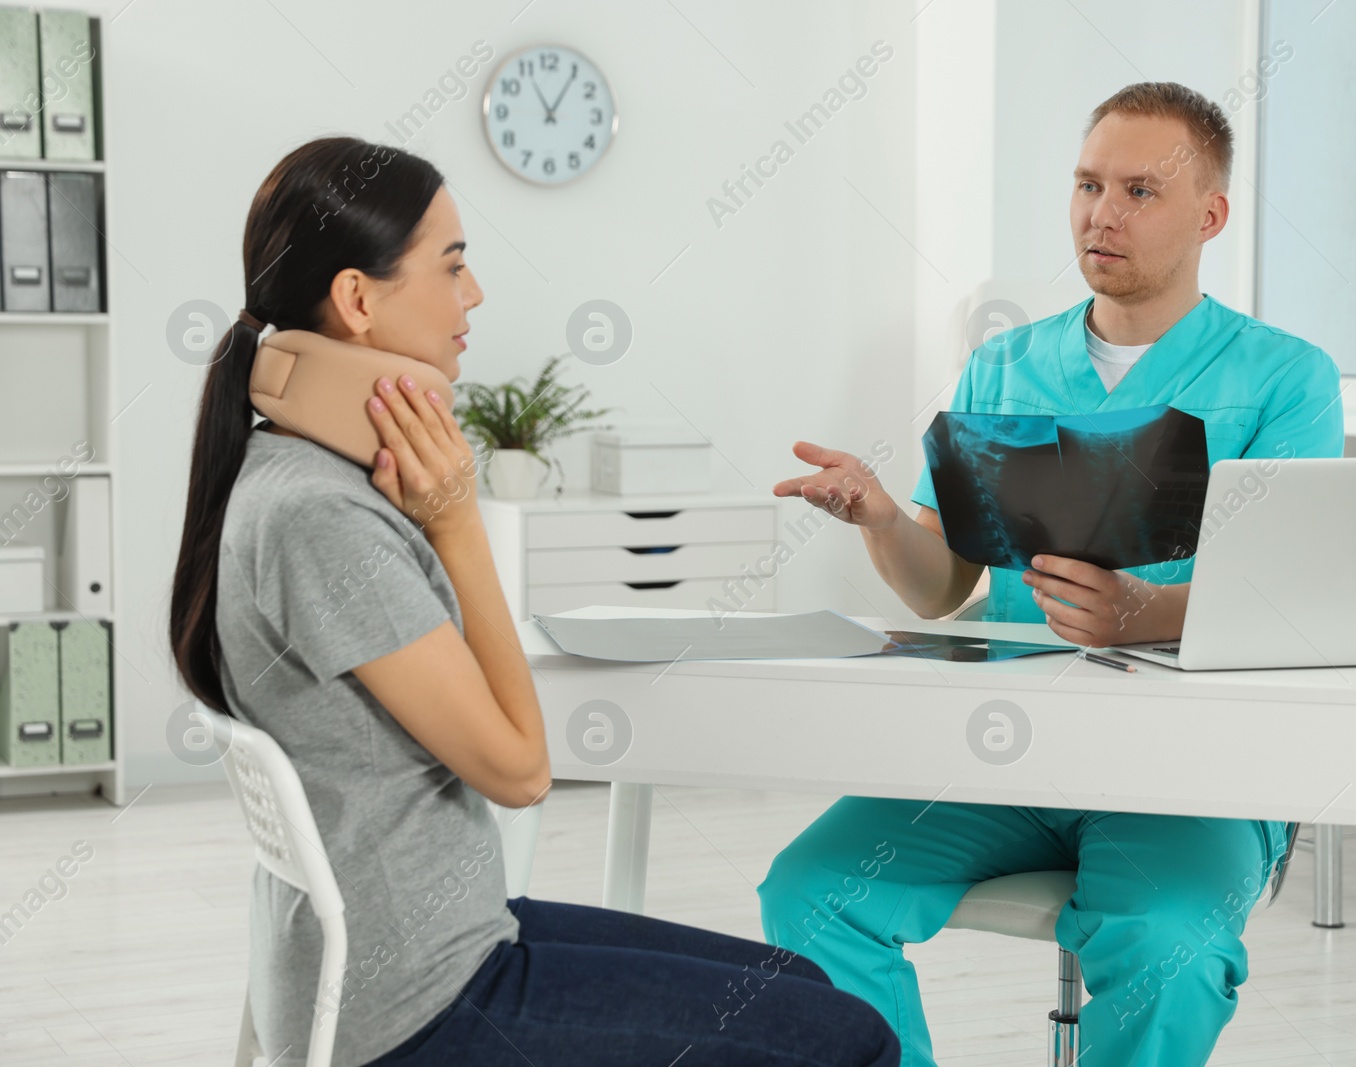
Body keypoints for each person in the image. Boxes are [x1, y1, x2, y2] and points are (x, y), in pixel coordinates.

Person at [168, 136, 899, 1067]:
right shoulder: (322, 516)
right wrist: (458, 524)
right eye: (454, 265)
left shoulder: (296, 476)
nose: (474, 296)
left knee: (805, 986)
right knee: (855, 1041)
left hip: (439, 945)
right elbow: (519, 771)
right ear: (357, 299)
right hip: (419, 1003)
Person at [757, 82, 1343, 1067]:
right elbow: (942, 587)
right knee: (813, 889)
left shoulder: (1285, 378)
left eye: (1138, 191)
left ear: (1210, 216)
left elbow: (1291, 601)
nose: (1099, 213)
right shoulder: (1001, 367)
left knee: (1167, 943)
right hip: (1014, 750)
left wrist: (1144, 611)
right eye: (1085, 184)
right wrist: (879, 515)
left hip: (1193, 768)